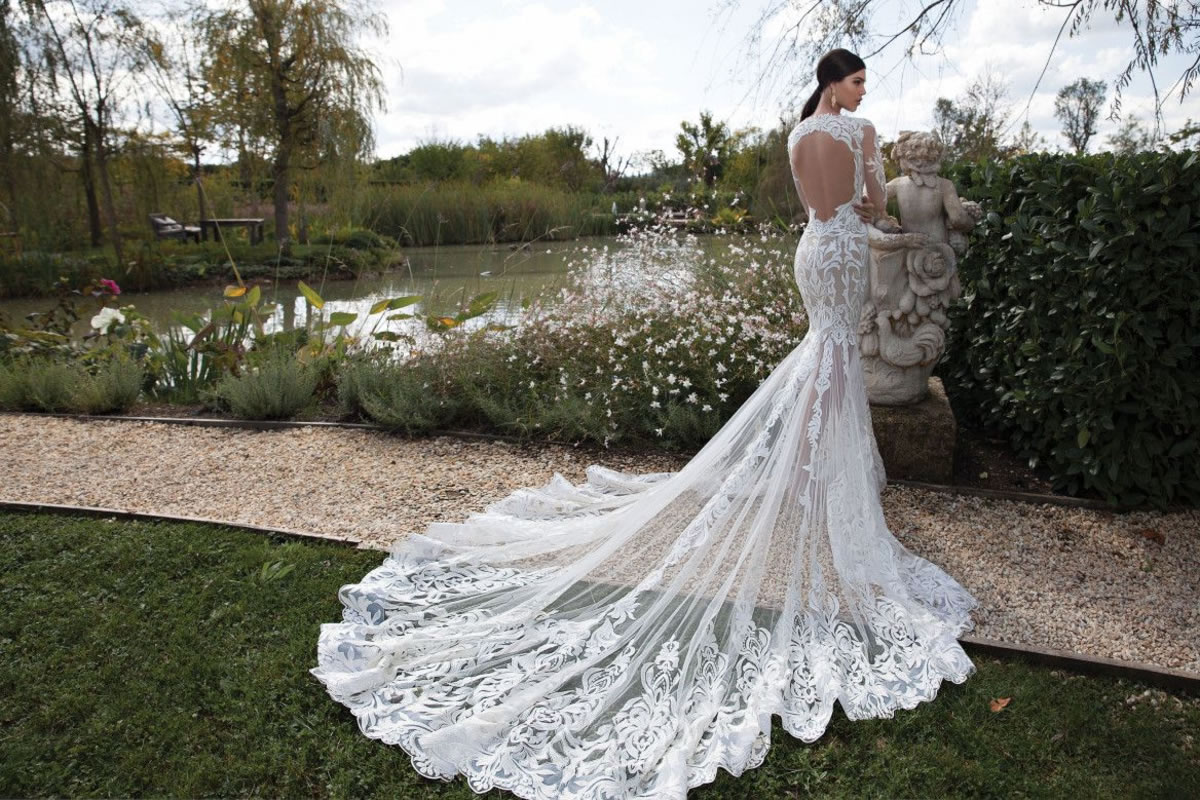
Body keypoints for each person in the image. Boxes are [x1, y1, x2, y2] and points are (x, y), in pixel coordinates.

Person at [313, 48, 978, 800]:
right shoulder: (860, 132)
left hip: (811, 253)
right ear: (837, 82)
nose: (863, 91)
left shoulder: (796, 135)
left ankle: (808, 469)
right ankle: (819, 475)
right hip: (846, 252)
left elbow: (814, 210)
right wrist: (902, 229)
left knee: (825, 359)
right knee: (833, 362)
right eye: (857, 80)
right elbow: (867, 209)